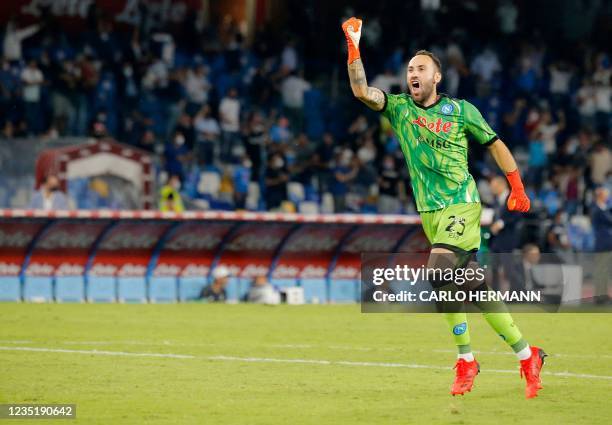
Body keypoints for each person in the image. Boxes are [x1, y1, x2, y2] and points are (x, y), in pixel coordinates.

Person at [342, 17, 545, 399]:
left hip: (462, 205)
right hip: (431, 214)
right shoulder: (400, 108)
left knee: (438, 271)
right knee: (472, 287)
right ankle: (527, 353)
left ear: (437, 77)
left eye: (420, 68)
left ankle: (467, 360)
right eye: (409, 70)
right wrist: (354, 47)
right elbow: (361, 91)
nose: (412, 74)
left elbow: (495, 143)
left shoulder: (461, 111)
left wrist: (516, 187)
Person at [591, 186, 612, 304]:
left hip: (607, 244)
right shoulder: (597, 209)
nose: (607, 197)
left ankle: (603, 294)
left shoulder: (603, 209)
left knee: (605, 270)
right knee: (601, 271)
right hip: (603, 244)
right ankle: (600, 296)